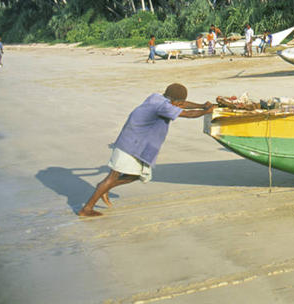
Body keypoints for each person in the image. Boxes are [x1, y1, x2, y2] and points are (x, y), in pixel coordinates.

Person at [78, 84, 213, 217]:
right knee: (112, 177)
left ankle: (104, 188)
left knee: (135, 175)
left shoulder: (156, 97)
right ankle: (87, 208)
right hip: (130, 144)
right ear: (175, 101)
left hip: (135, 143)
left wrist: (202, 105)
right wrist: (206, 112)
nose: (181, 105)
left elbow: (183, 104)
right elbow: (188, 114)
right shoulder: (163, 107)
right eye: (179, 103)